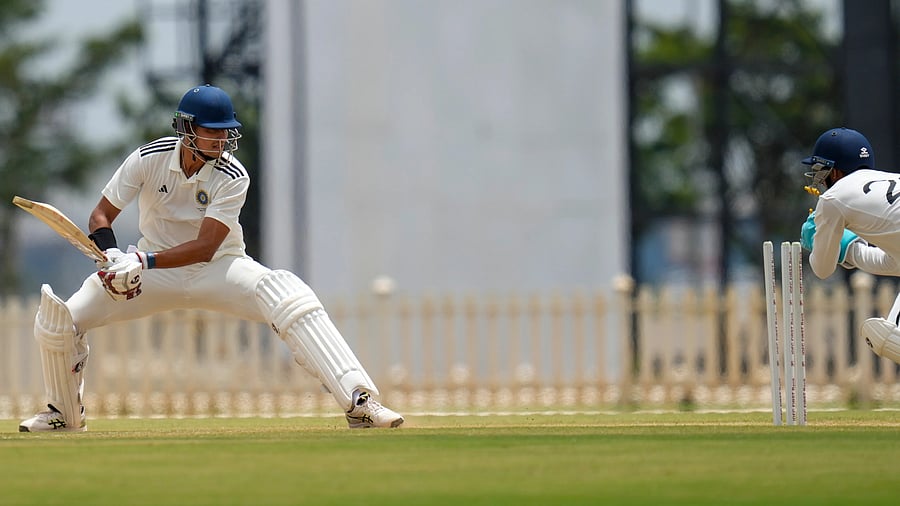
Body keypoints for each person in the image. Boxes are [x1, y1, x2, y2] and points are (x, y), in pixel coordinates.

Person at [19, 84, 404, 432]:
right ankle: (63, 414)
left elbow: (205, 247)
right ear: (187, 129)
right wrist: (116, 258)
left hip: (219, 267)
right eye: (213, 130)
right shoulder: (147, 158)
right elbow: (100, 217)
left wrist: (143, 262)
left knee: (288, 293)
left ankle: (361, 402)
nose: (222, 139)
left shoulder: (233, 174)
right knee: (59, 320)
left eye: (225, 130)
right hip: (151, 272)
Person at [798, 126, 900, 365]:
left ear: (835, 172)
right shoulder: (891, 180)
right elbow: (891, 262)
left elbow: (822, 270)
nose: (820, 180)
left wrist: (815, 240)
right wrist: (849, 249)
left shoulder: (833, 199)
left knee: (889, 339)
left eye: (820, 171)